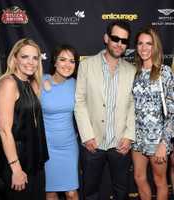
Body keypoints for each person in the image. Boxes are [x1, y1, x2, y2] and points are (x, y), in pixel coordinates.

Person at [74, 20, 136, 200]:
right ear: (106, 38)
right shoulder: (86, 65)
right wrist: (86, 135)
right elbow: (79, 102)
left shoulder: (131, 70)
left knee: (122, 191)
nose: (119, 44)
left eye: (124, 41)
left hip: (120, 144)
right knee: (91, 192)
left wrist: (129, 135)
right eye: (115, 38)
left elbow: (133, 104)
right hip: (93, 143)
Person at [0, 38, 49, 200]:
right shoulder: (9, 83)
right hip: (18, 162)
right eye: (25, 57)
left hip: (33, 160)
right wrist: (16, 169)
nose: (30, 62)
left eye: (35, 58)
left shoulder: (28, 83)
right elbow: (4, 131)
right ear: (15, 58)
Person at [132, 26, 174, 200]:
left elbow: (172, 111)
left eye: (148, 43)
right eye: (140, 43)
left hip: (158, 139)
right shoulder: (133, 72)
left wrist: (164, 143)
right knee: (139, 178)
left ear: (155, 46)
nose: (144, 48)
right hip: (137, 137)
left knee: (159, 181)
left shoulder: (164, 72)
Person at [40, 44, 79, 200]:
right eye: (62, 59)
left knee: (71, 193)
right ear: (54, 62)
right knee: (50, 192)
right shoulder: (39, 81)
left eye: (72, 61)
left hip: (69, 146)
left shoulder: (75, 84)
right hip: (47, 147)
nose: (67, 65)